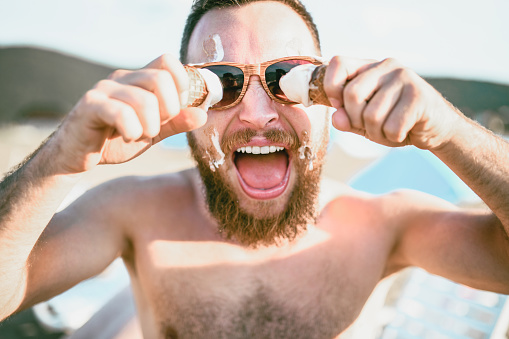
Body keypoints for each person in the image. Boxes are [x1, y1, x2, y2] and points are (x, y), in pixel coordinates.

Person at [1, 0, 508, 337]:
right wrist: (59, 160)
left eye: (288, 78)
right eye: (221, 83)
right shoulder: (133, 211)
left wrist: (452, 132)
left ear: (324, 92)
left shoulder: (385, 225)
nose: (258, 115)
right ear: (186, 108)